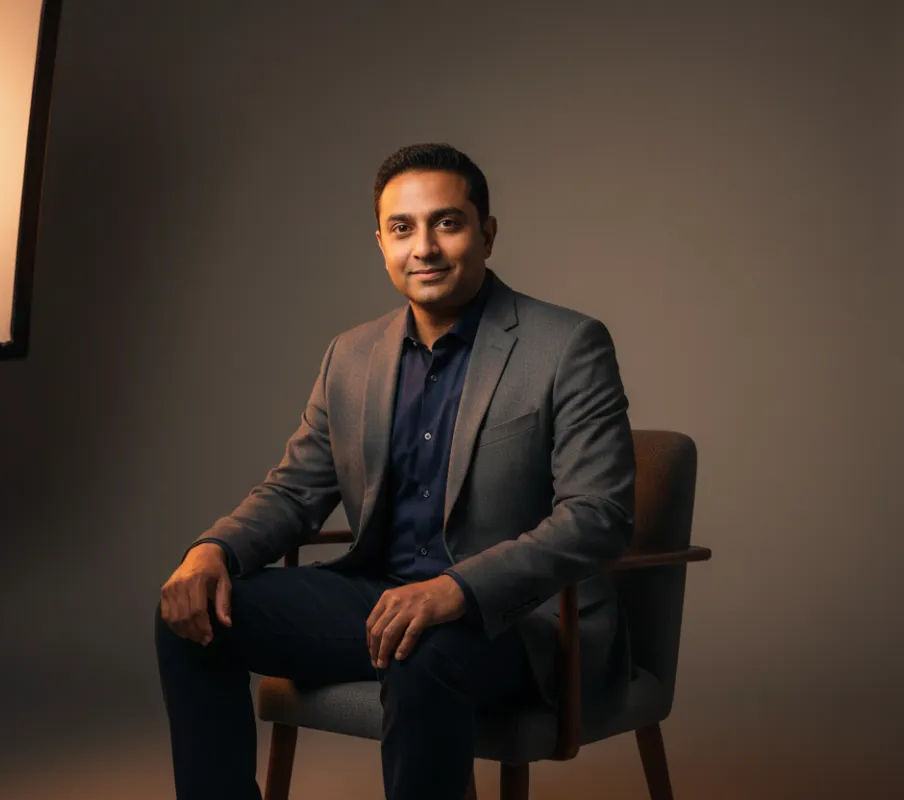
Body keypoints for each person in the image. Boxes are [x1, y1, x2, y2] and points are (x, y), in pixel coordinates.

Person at [155, 143, 637, 800]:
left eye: (448, 222)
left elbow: (597, 516)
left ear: (487, 233)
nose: (425, 248)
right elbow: (296, 490)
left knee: (423, 652)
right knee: (192, 614)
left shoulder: (567, 346)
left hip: (517, 623)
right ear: (380, 242)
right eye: (403, 228)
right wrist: (214, 549)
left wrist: (458, 589)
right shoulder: (351, 356)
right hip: (377, 596)